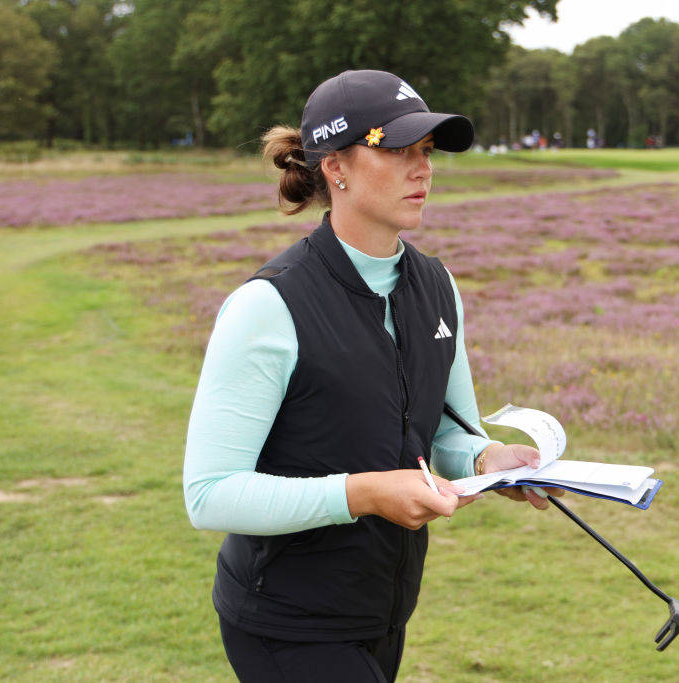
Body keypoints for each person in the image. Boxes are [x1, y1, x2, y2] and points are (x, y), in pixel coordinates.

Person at [183, 69, 561, 682]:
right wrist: (364, 493)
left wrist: (490, 461)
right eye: (399, 150)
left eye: (427, 151)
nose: (423, 169)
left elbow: (448, 433)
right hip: (286, 621)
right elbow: (210, 494)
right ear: (336, 166)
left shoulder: (438, 286)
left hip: (383, 609)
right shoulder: (267, 307)